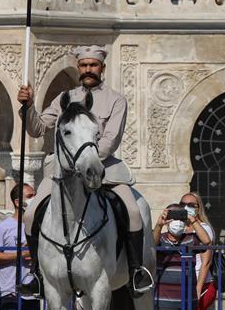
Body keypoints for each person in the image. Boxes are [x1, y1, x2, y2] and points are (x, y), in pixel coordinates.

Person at [17, 45, 153, 296]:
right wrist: (28, 107)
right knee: (30, 213)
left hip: (103, 168)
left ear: (102, 68)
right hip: (63, 171)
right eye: (84, 65)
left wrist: (87, 161)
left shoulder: (115, 100)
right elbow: (37, 129)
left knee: (134, 212)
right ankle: (36, 273)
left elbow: (111, 139)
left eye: (93, 65)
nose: (88, 70)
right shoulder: (63, 99)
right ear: (78, 68)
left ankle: (136, 271)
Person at [155, 191, 216, 310]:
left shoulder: (189, 239)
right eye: (173, 217)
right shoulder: (162, 238)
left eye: (180, 217)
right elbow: (152, 244)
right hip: (166, 302)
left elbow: (206, 242)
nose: (177, 222)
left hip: (187, 300)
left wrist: (191, 219)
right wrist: (159, 225)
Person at [0, 184, 40, 310]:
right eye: (30, 196)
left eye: (35, 195)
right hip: (10, 292)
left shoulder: (37, 227)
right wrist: (21, 254)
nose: (34, 199)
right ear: (18, 202)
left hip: (31, 293)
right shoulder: (3, 228)